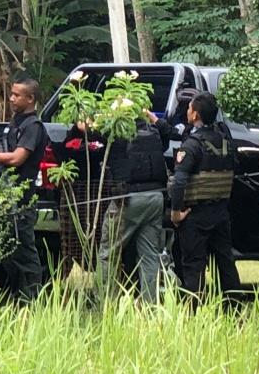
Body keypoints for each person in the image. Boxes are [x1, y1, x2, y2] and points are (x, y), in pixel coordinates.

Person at [0, 77, 48, 302]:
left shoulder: (33, 126)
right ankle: (16, 295)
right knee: (6, 250)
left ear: (30, 98)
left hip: (21, 200)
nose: (12, 99)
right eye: (12, 94)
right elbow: (6, 150)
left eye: (17, 95)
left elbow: (17, 158)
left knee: (24, 252)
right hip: (5, 196)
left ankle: (33, 298)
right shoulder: (16, 122)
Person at [85, 108, 171, 302]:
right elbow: (169, 132)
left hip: (128, 198)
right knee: (150, 255)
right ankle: (150, 304)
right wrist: (152, 117)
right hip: (156, 197)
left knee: (109, 252)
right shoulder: (155, 133)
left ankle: (104, 301)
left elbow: (88, 129)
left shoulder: (116, 134)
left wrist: (100, 116)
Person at [168, 92, 242, 298]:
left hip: (195, 215)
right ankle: (235, 308)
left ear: (195, 115)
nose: (187, 112)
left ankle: (193, 309)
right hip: (221, 213)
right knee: (226, 262)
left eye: (189, 108)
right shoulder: (225, 142)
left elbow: (179, 181)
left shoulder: (192, 145)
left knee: (194, 265)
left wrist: (175, 212)